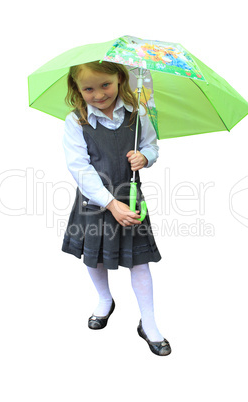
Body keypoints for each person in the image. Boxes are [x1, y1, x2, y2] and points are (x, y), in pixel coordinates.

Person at [61, 61, 171, 356]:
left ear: (120, 79)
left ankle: (148, 323)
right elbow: (79, 167)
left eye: (105, 85)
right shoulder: (76, 121)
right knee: (94, 256)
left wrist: (145, 157)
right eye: (88, 89)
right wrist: (110, 204)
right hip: (94, 201)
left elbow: (152, 145)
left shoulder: (139, 114)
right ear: (77, 89)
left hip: (129, 195)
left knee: (139, 260)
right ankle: (104, 300)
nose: (98, 94)